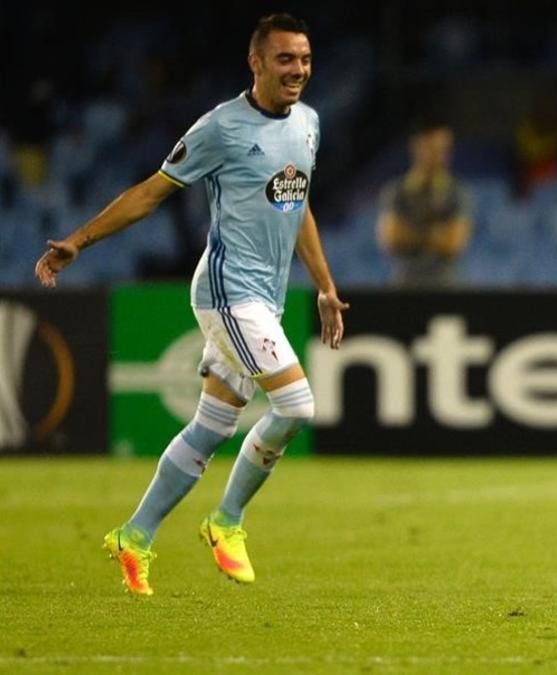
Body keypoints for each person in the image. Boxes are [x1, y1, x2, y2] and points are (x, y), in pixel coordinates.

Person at [34, 14, 349, 596]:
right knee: (298, 407)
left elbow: (297, 204)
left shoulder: (308, 124)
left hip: (267, 297)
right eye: (285, 59)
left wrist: (325, 287)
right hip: (229, 292)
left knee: (212, 425)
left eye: (304, 59)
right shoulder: (220, 128)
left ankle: (134, 535)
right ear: (256, 63)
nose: (298, 70)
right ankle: (226, 521)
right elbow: (152, 193)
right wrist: (79, 239)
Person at [376, 120, 473, 287]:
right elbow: (390, 238)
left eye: (444, 150)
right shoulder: (397, 191)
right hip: (405, 286)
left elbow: (455, 242)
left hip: (446, 287)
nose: (439, 156)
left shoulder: (457, 192)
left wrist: (411, 233)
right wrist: (437, 234)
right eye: (433, 148)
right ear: (418, 147)